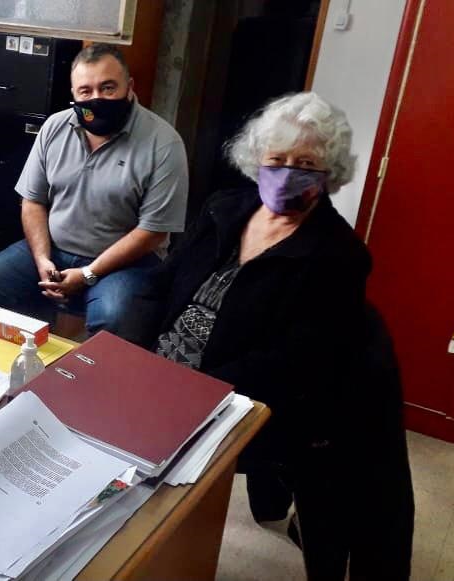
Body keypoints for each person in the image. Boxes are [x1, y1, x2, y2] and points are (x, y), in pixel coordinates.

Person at [122, 92, 413, 580]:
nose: (287, 173)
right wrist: (130, 353)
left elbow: (290, 362)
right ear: (257, 160)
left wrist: (187, 392)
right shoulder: (223, 208)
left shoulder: (338, 256)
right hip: (164, 372)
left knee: (139, 468)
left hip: (238, 397)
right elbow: (159, 286)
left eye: (306, 164)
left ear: (329, 174)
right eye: (277, 160)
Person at [0, 43, 188, 337]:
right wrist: (42, 259)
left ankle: (88, 359)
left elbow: (153, 232)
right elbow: (32, 201)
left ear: (130, 86)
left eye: (108, 87)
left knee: (114, 317)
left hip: (125, 263)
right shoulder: (55, 127)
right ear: (74, 94)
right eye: (86, 91)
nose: (97, 98)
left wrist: (89, 273)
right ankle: (39, 349)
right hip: (55, 249)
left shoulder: (164, 143)